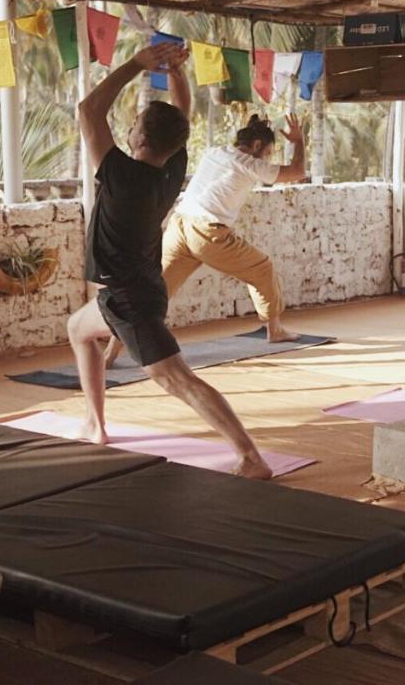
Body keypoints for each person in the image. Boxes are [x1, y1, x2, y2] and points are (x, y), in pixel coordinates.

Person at [66, 43, 271, 480]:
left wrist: (137, 64)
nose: (130, 127)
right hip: (138, 288)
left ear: (138, 138)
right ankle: (95, 424)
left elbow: (88, 111)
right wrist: (177, 74)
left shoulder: (122, 175)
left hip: (130, 298)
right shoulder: (171, 168)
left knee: (176, 379)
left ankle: (250, 456)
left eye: (135, 124)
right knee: (78, 330)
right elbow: (183, 116)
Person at [103, 112, 307, 367]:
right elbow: (298, 171)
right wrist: (298, 141)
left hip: (179, 226)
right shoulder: (249, 163)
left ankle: (109, 355)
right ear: (256, 146)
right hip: (208, 233)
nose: (267, 160)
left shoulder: (215, 152)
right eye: (267, 153)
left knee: (150, 294)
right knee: (262, 268)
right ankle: (274, 330)